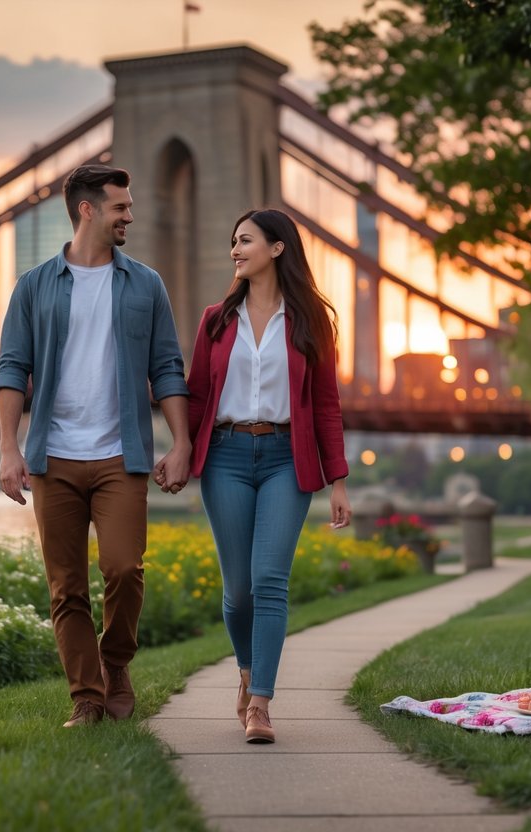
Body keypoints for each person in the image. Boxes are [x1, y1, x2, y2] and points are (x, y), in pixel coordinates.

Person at [0, 164, 192, 728]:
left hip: (119, 455)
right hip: (52, 457)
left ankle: (116, 663)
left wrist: (180, 443)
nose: (130, 215)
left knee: (126, 569)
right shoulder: (33, 286)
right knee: (66, 588)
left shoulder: (146, 284)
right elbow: (13, 368)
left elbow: (167, 368)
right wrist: (10, 450)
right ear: (87, 209)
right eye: (120, 207)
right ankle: (86, 696)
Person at [181, 208, 351, 744]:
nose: (235, 249)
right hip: (226, 457)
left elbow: (326, 405)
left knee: (270, 582)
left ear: (278, 248)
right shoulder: (215, 320)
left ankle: (261, 704)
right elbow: (197, 396)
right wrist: (180, 452)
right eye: (233, 241)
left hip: (285, 459)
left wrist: (338, 481)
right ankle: (248, 671)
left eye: (246, 240)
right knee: (237, 594)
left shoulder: (310, 322)